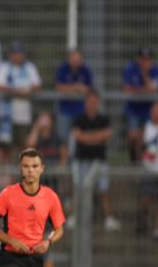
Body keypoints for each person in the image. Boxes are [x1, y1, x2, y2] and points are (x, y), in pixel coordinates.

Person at [72, 90, 120, 231]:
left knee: (104, 190)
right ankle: (74, 216)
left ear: (97, 103)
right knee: (78, 189)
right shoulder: (79, 119)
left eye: (94, 102)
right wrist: (97, 137)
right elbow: (78, 137)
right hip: (82, 161)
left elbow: (107, 135)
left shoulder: (103, 119)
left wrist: (87, 137)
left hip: (100, 161)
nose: (92, 105)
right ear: (85, 103)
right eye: (89, 102)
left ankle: (108, 218)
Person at [0, 42, 41, 146]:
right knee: (4, 143)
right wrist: (17, 91)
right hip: (5, 113)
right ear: (9, 55)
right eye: (14, 53)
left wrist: (28, 91)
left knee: (23, 141)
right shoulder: (3, 67)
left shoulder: (29, 67)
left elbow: (37, 85)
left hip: (24, 113)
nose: (17, 56)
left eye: (19, 53)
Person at [122, 47, 158, 162]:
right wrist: (144, 90)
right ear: (138, 59)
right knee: (133, 136)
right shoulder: (130, 68)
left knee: (144, 138)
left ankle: (143, 163)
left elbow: (153, 89)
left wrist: (145, 74)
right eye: (142, 59)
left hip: (149, 110)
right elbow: (127, 89)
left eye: (147, 59)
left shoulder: (155, 70)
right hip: (133, 109)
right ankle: (133, 160)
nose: (145, 62)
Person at [54, 48, 94, 144]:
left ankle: (79, 158)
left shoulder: (86, 70)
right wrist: (77, 87)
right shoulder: (62, 69)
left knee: (83, 138)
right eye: (74, 60)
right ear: (69, 59)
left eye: (78, 60)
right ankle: (64, 159)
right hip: (65, 110)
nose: (76, 62)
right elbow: (60, 88)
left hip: (81, 110)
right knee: (62, 138)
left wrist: (69, 89)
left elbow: (89, 89)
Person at [26, 111, 67, 190]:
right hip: (38, 178)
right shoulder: (36, 137)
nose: (44, 121)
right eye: (42, 119)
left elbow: (64, 157)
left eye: (47, 119)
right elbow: (28, 148)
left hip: (54, 179)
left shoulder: (57, 139)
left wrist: (57, 169)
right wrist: (36, 128)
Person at [139, 102, 158, 240]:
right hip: (148, 169)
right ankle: (147, 223)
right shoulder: (146, 127)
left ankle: (156, 228)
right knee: (146, 199)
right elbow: (141, 147)